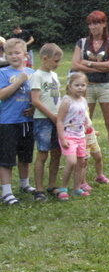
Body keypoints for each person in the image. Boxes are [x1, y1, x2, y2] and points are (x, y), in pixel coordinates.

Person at [70, 10, 109, 167]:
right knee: (83, 122)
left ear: (104, 24)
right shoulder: (82, 42)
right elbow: (75, 64)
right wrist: (100, 68)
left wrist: (89, 64)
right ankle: (82, 155)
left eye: (97, 22)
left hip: (106, 86)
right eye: (90, 23)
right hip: (85, 87)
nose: (93, 26)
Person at [0, 38, 35, 205]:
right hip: (8, 122)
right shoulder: (3, 73)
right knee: (7, 157)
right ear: (5, 55)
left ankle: (24, 184)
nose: (14, 56)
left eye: (17, 53)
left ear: (25, 55)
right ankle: (6, 191)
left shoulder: (33, 73)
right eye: (10, 54)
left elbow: (37, 97)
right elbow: (2, 95)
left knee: (25, 156)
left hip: (27, 121)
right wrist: (19, 81)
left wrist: (34, 108)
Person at [29, 43, 63, 202]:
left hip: (57, 119)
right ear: (45, 58)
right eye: (55, 61)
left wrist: (61, 116)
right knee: (43, 153)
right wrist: (52, 116)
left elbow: (57, 98)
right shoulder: (37, 76)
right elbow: (35, 101)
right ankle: (39, 189)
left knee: (57, 152)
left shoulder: (54, 76)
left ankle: (51, 185)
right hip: (43, 120)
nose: (58, 64)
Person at [56, 72, 92, 200]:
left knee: (81, 163)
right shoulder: (67, 101)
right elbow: (59, 120)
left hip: (80, 136)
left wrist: (87, 124)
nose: (80, 88)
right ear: (70, 86)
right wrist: (62, 138)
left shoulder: (83, 100)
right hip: (68, 136)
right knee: (72, 161)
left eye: (83, 85)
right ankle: (63, 188)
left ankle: (77, 187)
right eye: (77, 85)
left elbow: (83, 116)